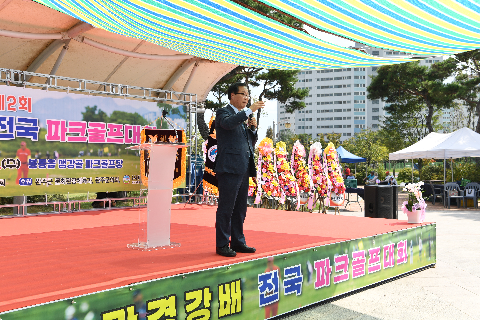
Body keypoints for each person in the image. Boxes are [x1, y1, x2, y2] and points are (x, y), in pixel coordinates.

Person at [214, 82, 264, 257]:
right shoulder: (223, 113)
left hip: (243, 167)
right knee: (226, 207)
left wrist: (253, 128)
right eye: (243, 94)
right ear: (232, 96)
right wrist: (249, 110)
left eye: (248, 95)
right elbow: (228, 125)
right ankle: (222, 244)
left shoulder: (243, 118)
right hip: (229, 167)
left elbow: (249, 142)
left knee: (240, 208)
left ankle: (238, 241)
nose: (246, 98)